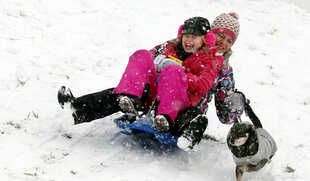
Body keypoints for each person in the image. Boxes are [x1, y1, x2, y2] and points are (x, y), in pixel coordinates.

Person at [58, 17, 224, 135]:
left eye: (194, 37)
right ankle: (78, 109)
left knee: (173, 71)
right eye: (186, 36)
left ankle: (164, 118)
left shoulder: (211, 59)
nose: (188, 41)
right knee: (141, 55)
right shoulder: (170, 46)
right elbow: (150, 56)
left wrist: (180, 71)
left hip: (179, 105)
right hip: (154, 96)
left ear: (205, 40)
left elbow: (203, 85)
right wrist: (158, 61)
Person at [175, 12, 245, 150]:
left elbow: (225, 115)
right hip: (166, 97)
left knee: (194, 116)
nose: (223, 43)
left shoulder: (224, 71)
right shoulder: (188, 44)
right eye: (221, 35)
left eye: (229, 41)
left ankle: (189, 133)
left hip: (190, 112)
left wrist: (235, 105)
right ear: (211, 33)